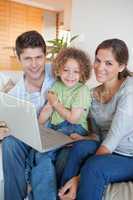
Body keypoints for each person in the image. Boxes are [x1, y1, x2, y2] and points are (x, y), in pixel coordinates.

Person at [59, 38, 133, 200]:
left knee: (93, 167)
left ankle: (72, 187)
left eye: (108, 63)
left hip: (129, 156)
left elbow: (113, 138)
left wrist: (78, 180)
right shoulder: (93, 94)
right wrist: (84, 138)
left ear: (121, 66)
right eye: (98, 60)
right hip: (108, 149)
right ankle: (62, 195)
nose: (100, 67)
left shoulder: (129, 90)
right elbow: (98, 134)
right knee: (79, 147)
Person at [1, 30, 56, 200]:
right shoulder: (14, 96)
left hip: (59, 135)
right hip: (31, 139)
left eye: (38, 57)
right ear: (19, 59)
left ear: (45, 56)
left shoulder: (59, 73)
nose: (34, 64)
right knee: (10, 143)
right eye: (27, 58)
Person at [39, 47, 92, 138]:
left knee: (46, 147)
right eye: (66, 70)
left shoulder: (82, 90)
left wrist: (55, 103)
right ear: (59, 69)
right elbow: (47, 109)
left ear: (82, 73)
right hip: (55, 126)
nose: (70, 75)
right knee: (37, 147)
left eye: (76, 71)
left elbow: (73, 119)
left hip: (75, 127)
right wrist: (38, 126)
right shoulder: (57, 85)